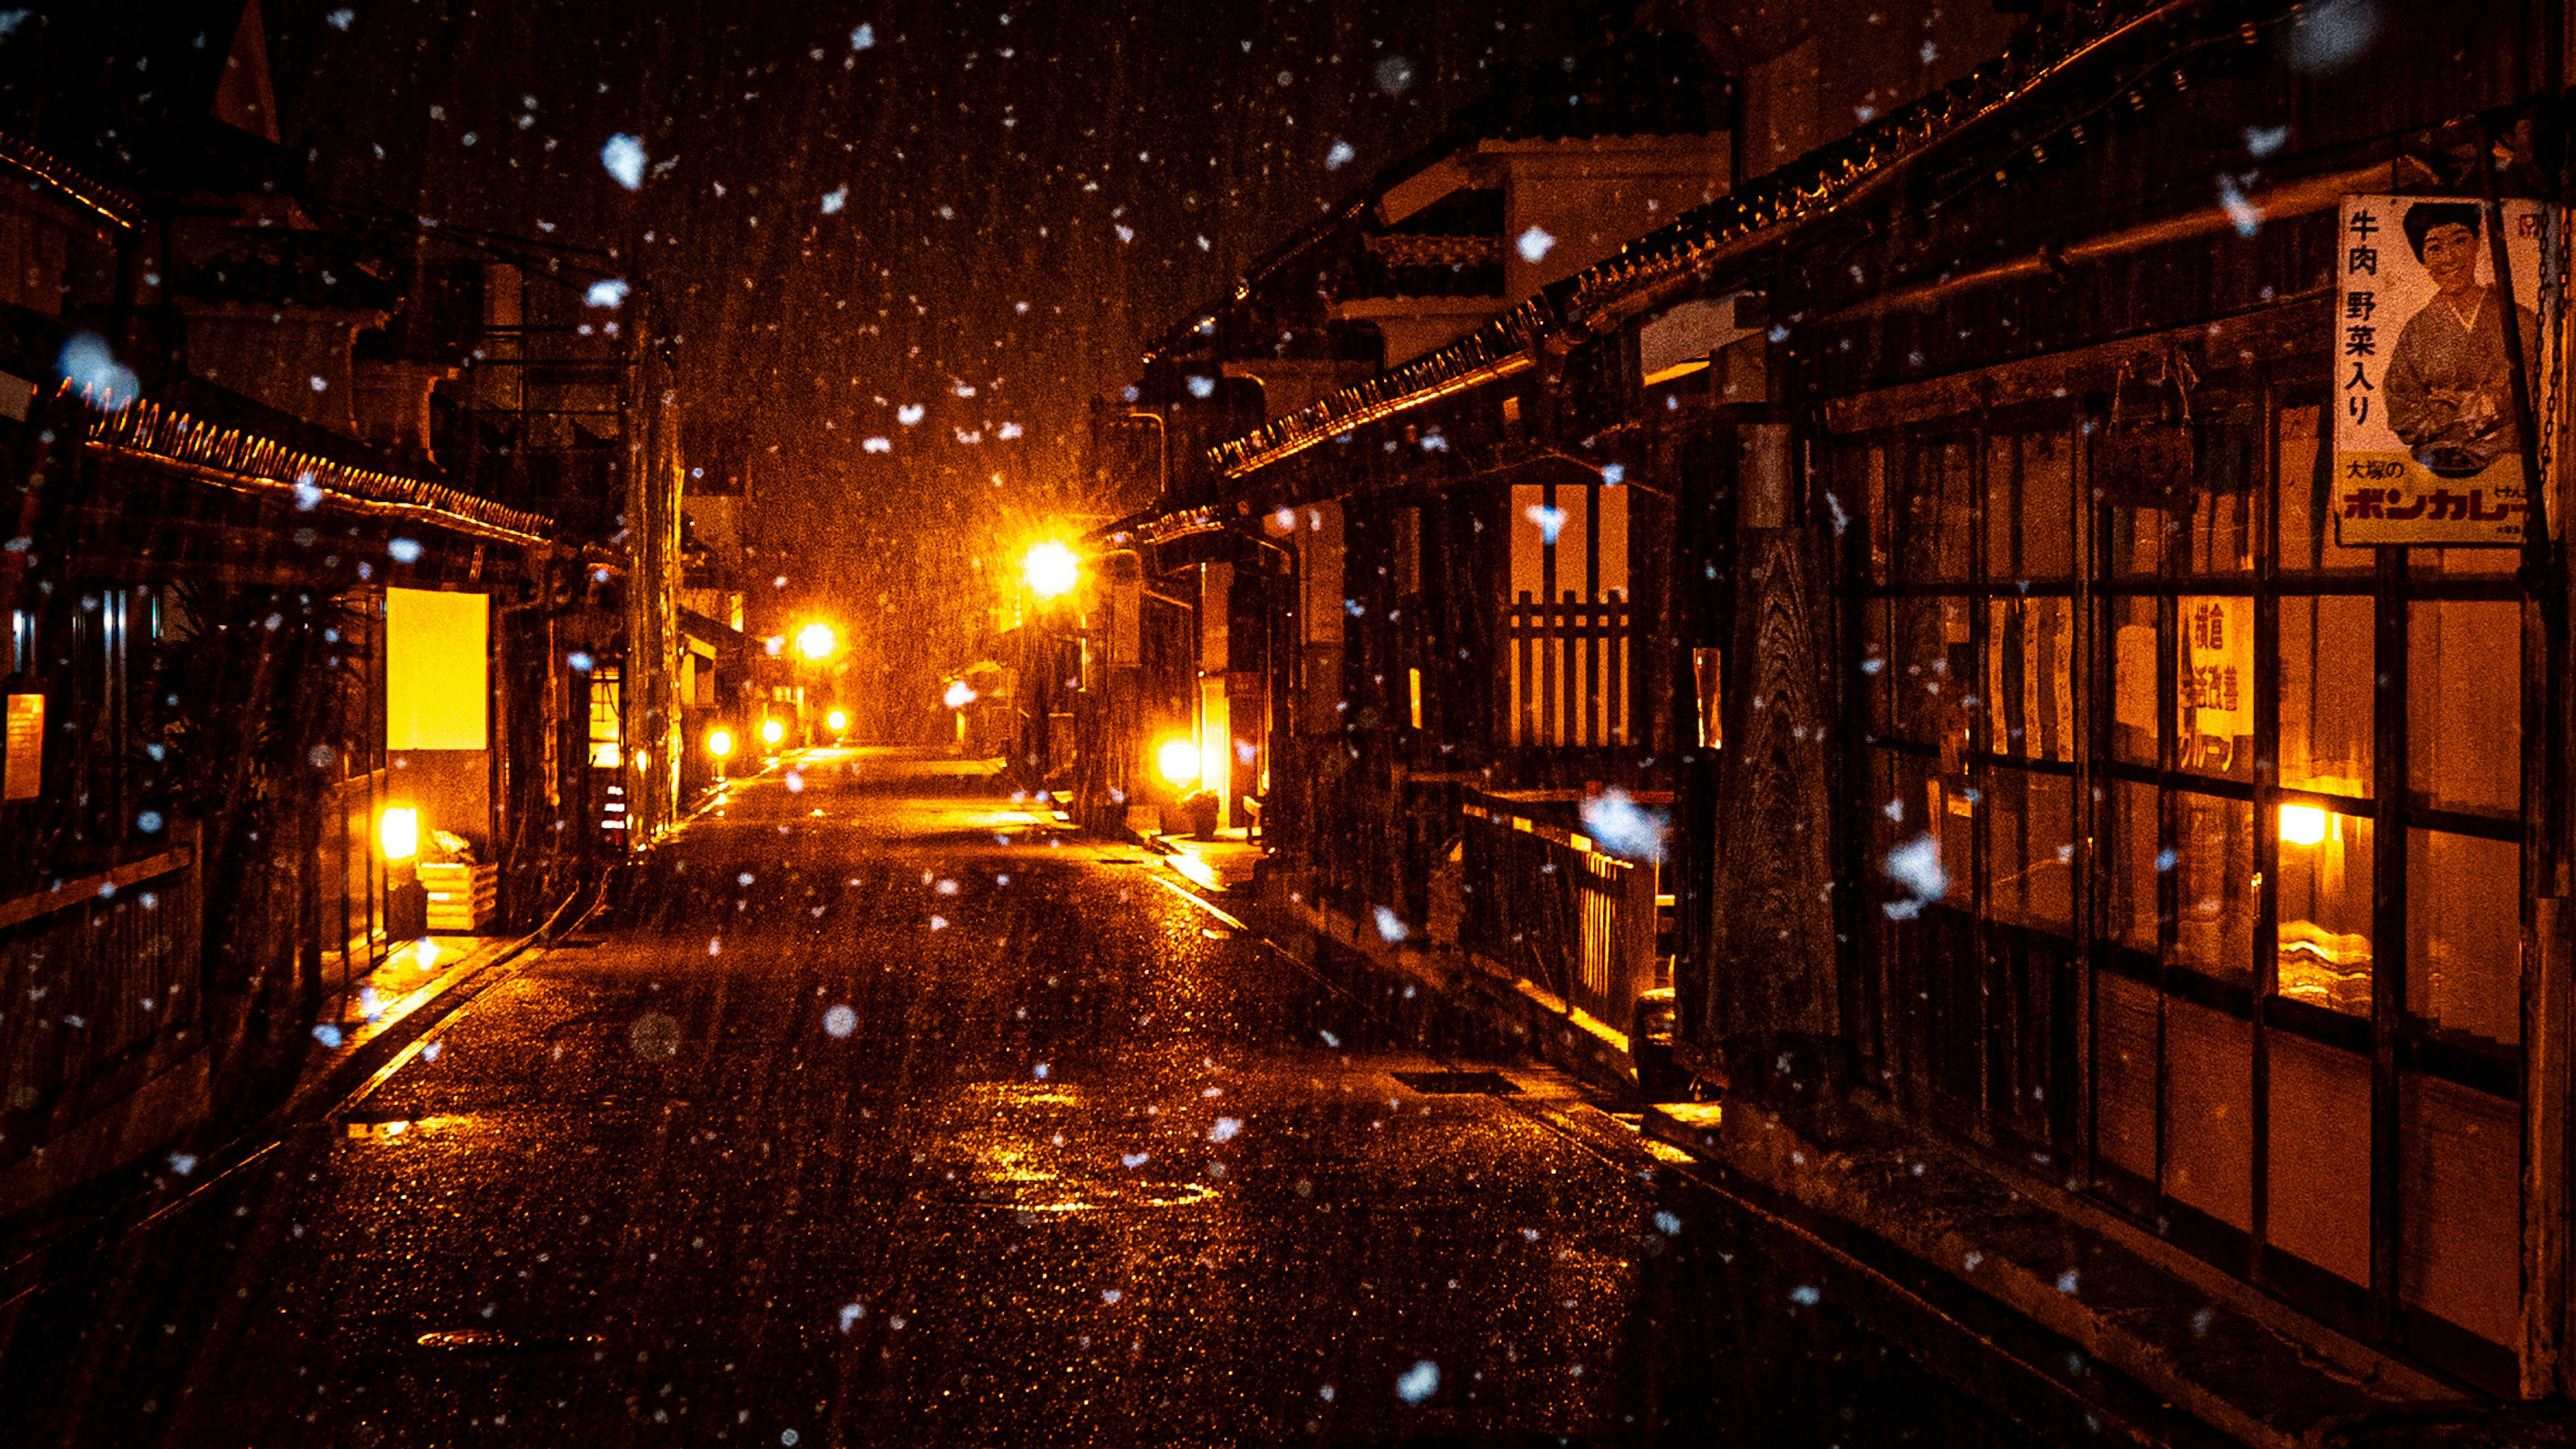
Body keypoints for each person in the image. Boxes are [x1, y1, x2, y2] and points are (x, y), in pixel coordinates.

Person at [2382, 202, 2539, 478]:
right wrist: (2442, 412)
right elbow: (2401, 409)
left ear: (2477, 244)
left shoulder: (2519, 319)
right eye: (2434, 248)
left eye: (2459, 240)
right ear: (2422, 258)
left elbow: (2538, 388)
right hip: (2434, 466)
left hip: (2510, 464)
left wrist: (2491, 401)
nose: (2449, 258)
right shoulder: (2416, 331)